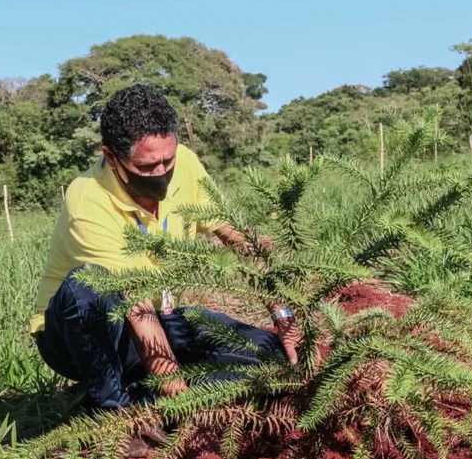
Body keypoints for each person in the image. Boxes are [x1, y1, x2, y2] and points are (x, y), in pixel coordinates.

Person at [30, 84, 301, 415]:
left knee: (273, 357)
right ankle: (113, 412)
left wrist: (283, 314)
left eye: (167, 162)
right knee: (88, 285)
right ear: (111, 157)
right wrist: (175, 388)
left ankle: (145, 395)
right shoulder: (88, 199)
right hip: (88, 333)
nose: (161, 175)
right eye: (145, 168)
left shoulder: (185, 164)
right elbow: (133, 301)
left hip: (161, 315)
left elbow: (237, 236)